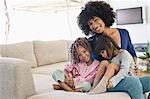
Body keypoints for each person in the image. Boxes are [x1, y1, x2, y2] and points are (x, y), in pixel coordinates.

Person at [77, 1, 150, 99]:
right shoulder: (92, 42)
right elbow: (93, 64)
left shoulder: (124, 33)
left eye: (95, 19)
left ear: (103, 17)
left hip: (126, 74)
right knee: (133, 82)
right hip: (109, 79)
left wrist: (134, 64)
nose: (94, 25)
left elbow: (131, 52)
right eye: (90, 24)